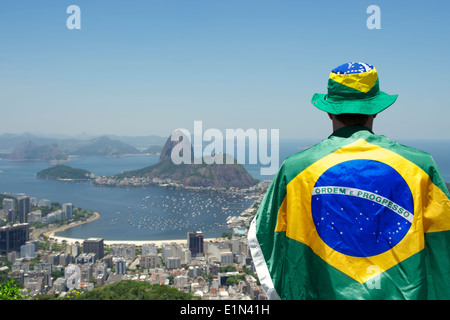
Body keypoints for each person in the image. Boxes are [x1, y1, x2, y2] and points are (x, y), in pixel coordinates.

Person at [248, 62, 450, 300]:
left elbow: (265, 237)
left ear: (328, 111)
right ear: (376, 109)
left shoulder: (294, 170)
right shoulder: (420, 167)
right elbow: (442, 243)